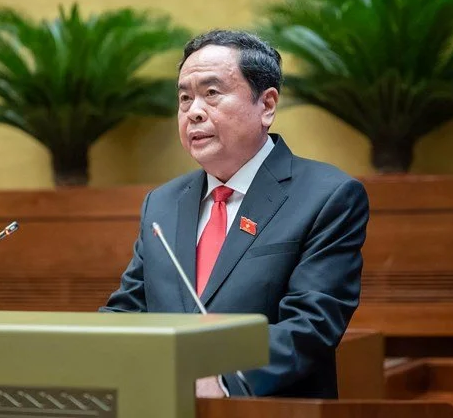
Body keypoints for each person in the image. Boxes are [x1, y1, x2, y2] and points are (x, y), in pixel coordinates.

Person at [100, 29, 370, 399]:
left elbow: (311, 324)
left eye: (211, 94)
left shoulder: (327, 196)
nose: (194, 111)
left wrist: (225, 382)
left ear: (267, 105)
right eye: (184, 98)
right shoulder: (162, 204)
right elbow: (129, 311)